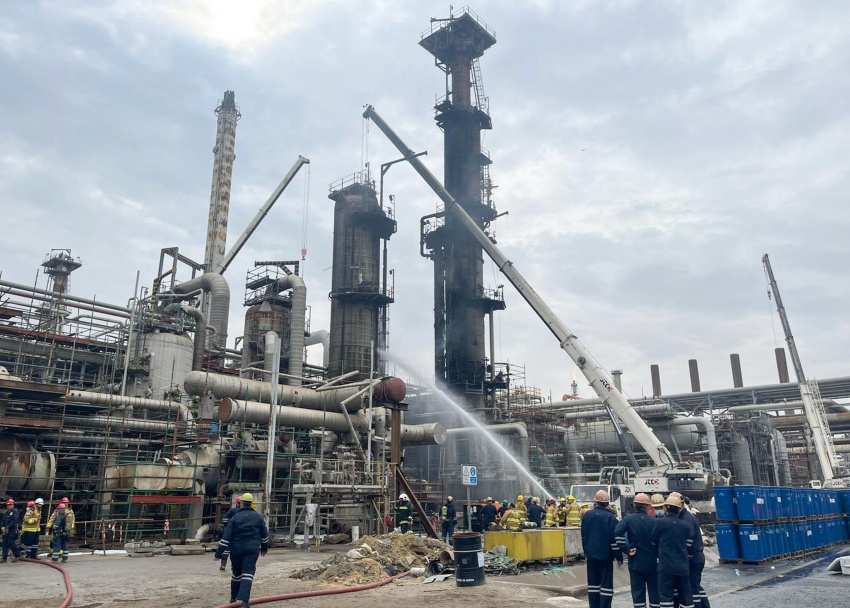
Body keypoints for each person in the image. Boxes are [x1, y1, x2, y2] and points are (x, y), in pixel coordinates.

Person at [214, 493, 269, 608]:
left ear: (242, 503)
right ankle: (244, 602)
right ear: (252, 504)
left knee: (236, 573)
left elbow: (226, 538)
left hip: (236, 549)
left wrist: (218, 554)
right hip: (252, 549)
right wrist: (264, 548)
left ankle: (233, 598)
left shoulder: (235, 518)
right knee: (248, 574)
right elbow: (265, 535)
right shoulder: (258, 517)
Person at [614, 493, 659, 608]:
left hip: (636, 562)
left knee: (638, 593)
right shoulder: (654, 521)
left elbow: (617, 533)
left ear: (634, 505)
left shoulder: (629, 519)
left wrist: (626, 550)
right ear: (647, 506)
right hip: (652, 562)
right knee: (654, 592)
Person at [652, 495, 697, 608]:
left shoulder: (659, 523)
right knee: (685, 596)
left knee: (666, 596)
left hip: (665, 567)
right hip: (682, 567)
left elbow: (653, 541)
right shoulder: (685, 525)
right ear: (678, 509)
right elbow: (689, 542)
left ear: (666, 508)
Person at [581, 490, 620, 608]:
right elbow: (614, 540)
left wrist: (586, 552)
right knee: (606, 585)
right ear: (608, 503)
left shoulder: (587, 516)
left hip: (591, 556)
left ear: (596, 502)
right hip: (606, 556)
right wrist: (618, 556)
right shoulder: (611, 517)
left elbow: (584, 536)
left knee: (593, 585)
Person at [672, 493, 709, 608]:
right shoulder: (684, 516)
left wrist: (682, 554)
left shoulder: (686, 518)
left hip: (693, 557)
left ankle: (698, 606)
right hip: (696, 556)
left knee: (692, 587)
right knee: (695, 585)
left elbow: (688, 539)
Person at [219, 495, 243, 570]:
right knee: (236, 551)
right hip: (240, 534)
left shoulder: (233, 510)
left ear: (237, 503)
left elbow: (224, 518)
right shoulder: (245, 512)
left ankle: (223, 565)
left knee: (226, 549)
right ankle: (234, 566)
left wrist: (227, 526)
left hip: (231, 533)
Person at [1, 498, 21, 563]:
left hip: (12, 530)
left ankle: (17, 555)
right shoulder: (6, 513)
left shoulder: (15, 511)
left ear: (13, 505)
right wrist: (2, 527)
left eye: (10, 505)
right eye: (7, 505)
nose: (8, 506)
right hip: (6, 531)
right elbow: (3, 521)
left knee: (11, 543)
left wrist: (8, 527)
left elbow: (15, 520)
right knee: (4, 543)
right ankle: (4, 557)